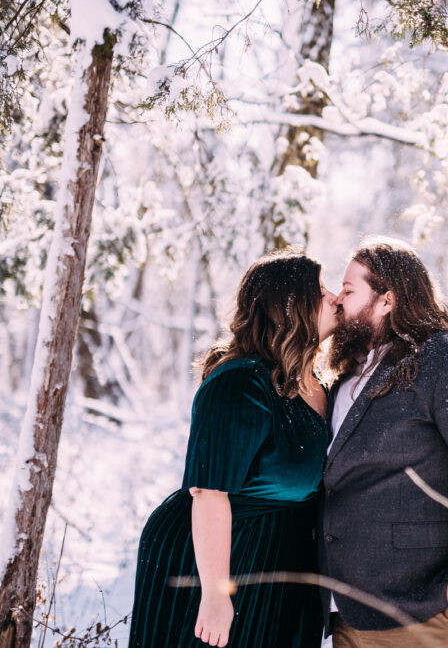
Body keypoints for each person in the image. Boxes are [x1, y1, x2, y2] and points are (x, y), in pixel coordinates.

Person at [320, 237, 448, 647]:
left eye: (349, 289)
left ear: (387, 300)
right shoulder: (344, 378)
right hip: (351, 612)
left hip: (428, 608)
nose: (338, 299)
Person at [129, 249, 338, 648]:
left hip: (280, 564)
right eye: (321, 290)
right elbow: (209, 492)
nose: (334, 298)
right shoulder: (242, 383)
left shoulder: (319, 383)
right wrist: (215, 593)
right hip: (216, 563)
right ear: (288, 306)